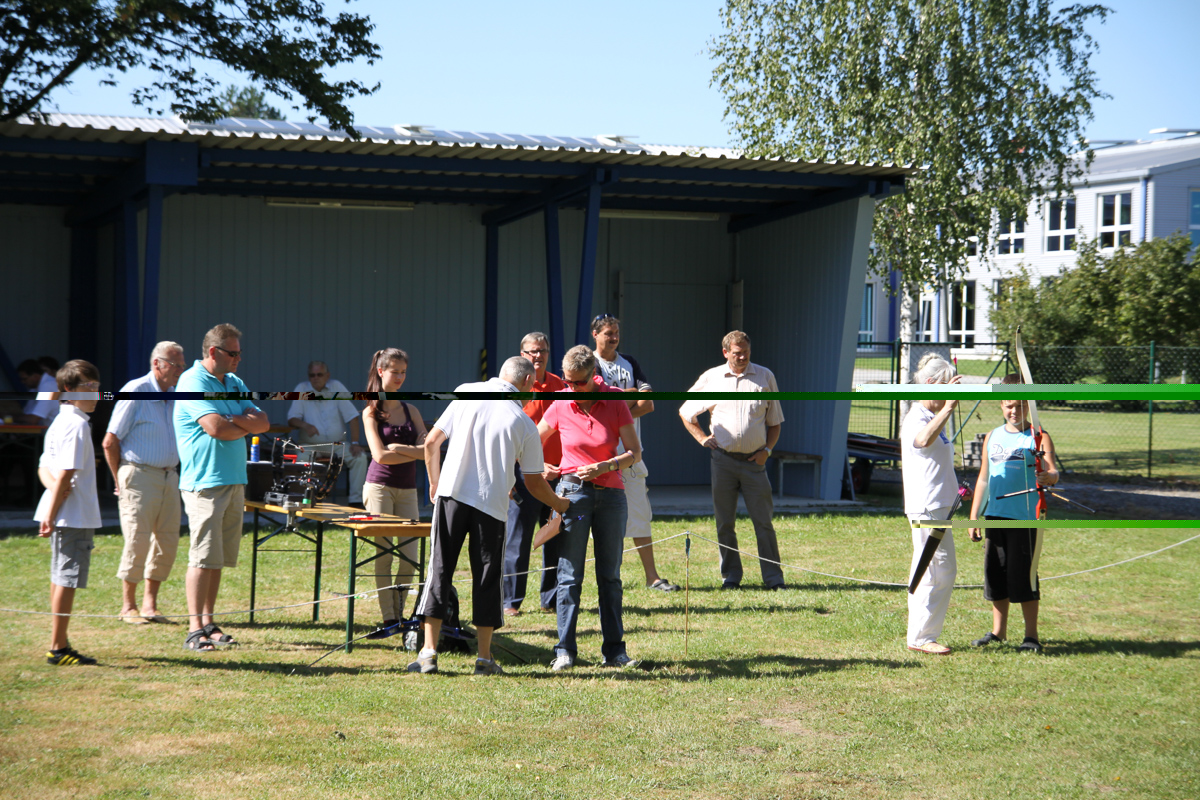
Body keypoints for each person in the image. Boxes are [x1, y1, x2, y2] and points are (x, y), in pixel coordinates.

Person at [410, 356, 568, 675]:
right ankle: (484, 658)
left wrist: (435, 482)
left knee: (439, 570)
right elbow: (534, 482)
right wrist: (559, 504)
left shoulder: (466, 392)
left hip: (451, 496)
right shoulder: (524, 421)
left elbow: (431, 443)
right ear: (527, 382)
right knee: (487, 578)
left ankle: (428, 653)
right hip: (492, 505)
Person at [538, 345, 643, 672]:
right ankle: (564, 651)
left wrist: (606, 465)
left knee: (610, 577)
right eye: (567, 381)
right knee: (569, 576)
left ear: (594, 375)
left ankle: (615, 651)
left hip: (611, 496)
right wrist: (541, 466)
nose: (572, 387)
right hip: (572, 495)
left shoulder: (614, 400)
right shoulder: (561, 401)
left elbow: (635, 452)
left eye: (579, 382)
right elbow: (530, 440)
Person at [174, 324, 269, 653]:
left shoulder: (234, 382)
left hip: (233, 480)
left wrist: (234, 420)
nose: (238, 359)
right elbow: (215, 428)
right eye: (233, 353)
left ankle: (208, 622)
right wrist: (241, 420)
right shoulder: (192, 381)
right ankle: (194, 629)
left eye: (240, 353)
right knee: (202, 557)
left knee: (217, 559)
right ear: (213, 352)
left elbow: (263, 422)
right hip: (205, 482)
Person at [679, 330, 786, 590]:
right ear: (725, 352)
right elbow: (686, 411)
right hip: (723, 462)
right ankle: (731, 577)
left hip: (754, 463)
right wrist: (702, 438)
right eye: (737, 353)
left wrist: (767, 451)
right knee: (725, 523)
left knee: (763, 523)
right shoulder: (712, 377)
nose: (742, 357)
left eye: (746, 352)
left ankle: (773, 579)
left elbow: (775, 422)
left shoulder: (765, 376)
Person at [967, 374, 1059, 654]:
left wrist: (1047, 476)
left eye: (1020, 405)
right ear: (1001, 405)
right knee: (995, 573)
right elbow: (984, 478)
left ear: (1028, 405)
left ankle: (1031, 636)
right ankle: (998, 632)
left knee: (1024, 575)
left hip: (1025, 517)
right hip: (995, 515)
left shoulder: (1039, 436)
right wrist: (974, 515)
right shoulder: (992, 436)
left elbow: (1052, 472)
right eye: (1009, 405)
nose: (1014, 411)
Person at [591, 314, 679, 592]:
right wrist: (626, 399)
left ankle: (652, 577)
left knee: (640, 516)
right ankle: (605, 578)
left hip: (630, 457)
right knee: (599, 522)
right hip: (598, 459)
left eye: (616, 332)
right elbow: (597, 402)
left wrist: (616, 408)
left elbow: (648, 403)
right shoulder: (588, 363)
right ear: (595, 335)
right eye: (608, 333)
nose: (614, 337)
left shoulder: (630, 362)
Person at [102, 341, 186, 625]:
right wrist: (119, 479)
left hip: (169, 476)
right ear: (157, 364)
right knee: (137, 539)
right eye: (175, 365)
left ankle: (151, 605)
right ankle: (128, 607)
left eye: (182, 365)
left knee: (167, 540)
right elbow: (110, 441)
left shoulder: (176, 395)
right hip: (138, 475)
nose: (180, 370)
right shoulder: (135, 390)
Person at [33, 360, 102, 665]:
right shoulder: (76, 425)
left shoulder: (61, 421)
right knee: (67, 579)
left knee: (59, 576)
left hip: (64, 511)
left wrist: (53, 499)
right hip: (72, 515)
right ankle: (58, 648)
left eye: (97, 387)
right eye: (88, 387)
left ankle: (59, 642)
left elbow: (44, 469)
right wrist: (53, 510)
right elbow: (64, 474)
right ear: (68, 390)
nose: (95, 394)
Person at [360, 348, 427, 638]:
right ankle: (389, 618)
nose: (399, 377)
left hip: (408, 489)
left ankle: (401, 614)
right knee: (383, 554)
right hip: (379, 487)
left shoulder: (412, 411)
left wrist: (400, 448)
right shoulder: (371, 411)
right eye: (394, 372)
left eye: (403, 372)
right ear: (380, 371)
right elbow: (379, 456)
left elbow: (429, 452)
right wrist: (413, 451)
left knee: (410, 556)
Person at [900, 354, 963, 656]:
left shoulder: (931, 416)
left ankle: (922, 635)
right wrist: (948, 408)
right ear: (930, 384)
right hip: (927, 506)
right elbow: (922, 441)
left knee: (936, 569)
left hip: (938, 505)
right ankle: (922, 637)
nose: (949, 395)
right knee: (937, 570)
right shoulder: (917, 417)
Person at [502, 332, 567, 617]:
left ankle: (550, 599)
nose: (537, 356)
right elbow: (508, 437)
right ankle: (511, 601)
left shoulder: (560, 386)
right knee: (518, 538)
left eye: (542, 351)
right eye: (531, 351)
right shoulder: (512, 389)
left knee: (554, 536)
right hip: (523, 474)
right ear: (522, 354)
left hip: (557, 474)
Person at [286, 360, 369, 506]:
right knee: (301, 460)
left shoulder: (336, 387)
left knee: (360, 457)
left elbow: (352, 417)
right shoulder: (301, 389)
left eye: (319, 374)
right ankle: (304, 499)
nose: (315, 378)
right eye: (312, 375)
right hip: (309, 445)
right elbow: (292, 419)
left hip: (337, 445)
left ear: (327, 376)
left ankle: (356, 501)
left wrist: (355, 443)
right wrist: (305, 425)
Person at [15, 358, 59, 425]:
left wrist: (10, 417)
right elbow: (27, 413)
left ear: (36, 376)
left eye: (25, 379)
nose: (23, 382)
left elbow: (33, 419)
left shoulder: (48, 386)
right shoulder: (35, 388)